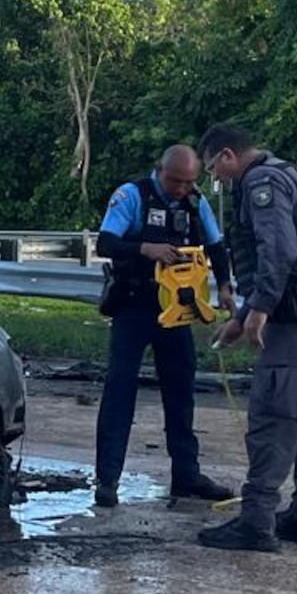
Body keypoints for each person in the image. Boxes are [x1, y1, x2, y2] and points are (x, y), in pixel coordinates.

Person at [195, 124, 297, 553]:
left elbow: (279, 250)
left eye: (213, 169)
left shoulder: (261, 181)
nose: (216, 178)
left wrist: (259, 309)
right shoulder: (289, 172)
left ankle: (257, 521)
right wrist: (243, 316)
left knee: (273, 413)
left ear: (228, 155)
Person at [92, 145, 237, 509]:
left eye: (189, 182)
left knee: (181, 392)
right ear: (160, 170)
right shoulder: (133, 195)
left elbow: (215, 246)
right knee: (120, 390)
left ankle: (186, 476)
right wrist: (145, 248)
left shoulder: (195, 201)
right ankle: (108, 479)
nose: (182, 189)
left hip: (177, 310)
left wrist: (224, 285)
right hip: (134, 306)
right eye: (176, 181)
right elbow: (106, 242)